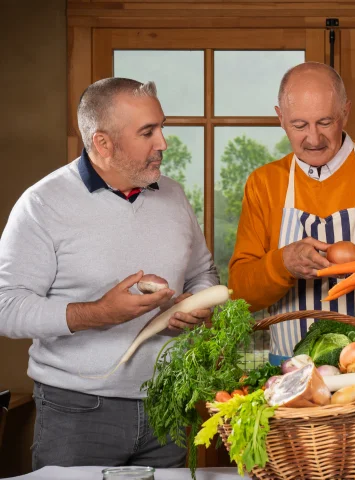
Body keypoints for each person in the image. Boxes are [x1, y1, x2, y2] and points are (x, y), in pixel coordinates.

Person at [0, 78, 219, 469]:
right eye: (147, 132)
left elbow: (203, 272)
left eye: (161, 126)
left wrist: (196, 304)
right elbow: (7, 307)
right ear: (102, 143)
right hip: (77, 412)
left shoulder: (174, 195)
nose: (163, 142)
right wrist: (100, 312)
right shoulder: (41, 204)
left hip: (166, 405)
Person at [228, 61, 355, 465]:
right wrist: (282, 263)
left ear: (345, 111)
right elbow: (241, 291)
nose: (312, 138)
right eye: (299, 124)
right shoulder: (264, 183)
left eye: (325, 122)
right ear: (280, 118)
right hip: (296, 385)